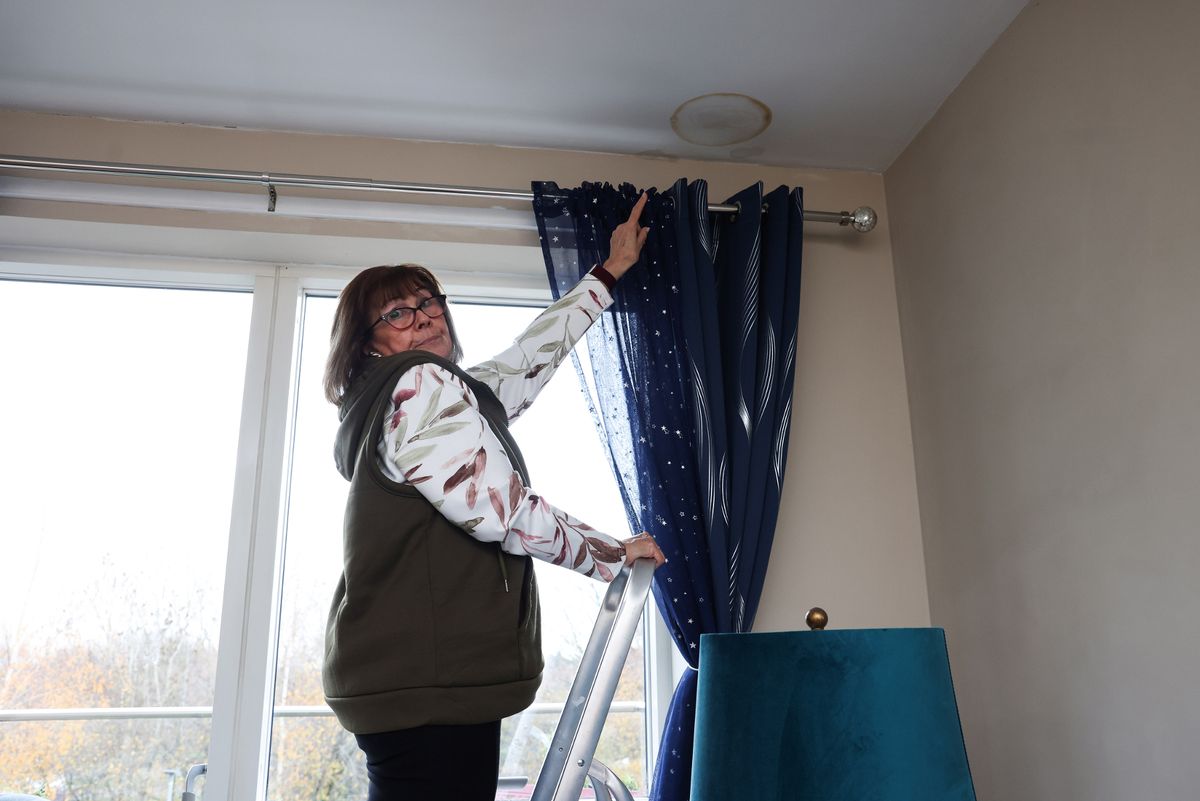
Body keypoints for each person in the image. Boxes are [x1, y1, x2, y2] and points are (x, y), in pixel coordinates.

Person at [321, 193, 666, 801]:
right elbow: (498, 510)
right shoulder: (418, 387)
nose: (424, 316)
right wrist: (612, 555)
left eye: (428, 302)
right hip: (426, 682)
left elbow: (525, 362)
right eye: (398, 313)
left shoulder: (427, 395)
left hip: (412, 677)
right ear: (369, 343)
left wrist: (607, 273)